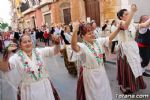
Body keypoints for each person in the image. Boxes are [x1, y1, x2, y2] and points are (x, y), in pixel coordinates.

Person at [0, 34, 60, 100]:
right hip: (28, 90)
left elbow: (54, 51)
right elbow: (5, 68)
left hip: (45, 86)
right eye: (24, 42)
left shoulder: (39, 51)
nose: (27, 43)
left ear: (32, 42)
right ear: (20, 45)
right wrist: (6, 54)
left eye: (29, 41)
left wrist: (57, 44)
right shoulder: (16, 57)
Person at [71, 22, 120, 100]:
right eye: (89, 34)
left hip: (101, 72)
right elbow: (74, 47)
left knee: (104, 92)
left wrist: (118, 29)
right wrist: (75, 31)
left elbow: (109, 38)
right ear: (83, 36)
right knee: (93, 95)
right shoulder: (82, 46)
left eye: (92, 32)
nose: (92, 34)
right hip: (90, 75)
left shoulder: (98, 41)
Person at [116, 4, 150, 94]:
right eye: (126, 14)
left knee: (135, 67)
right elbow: (125, 26)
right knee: (127, 68)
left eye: (128, 14)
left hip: (133, 48)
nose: (128, 15)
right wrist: (132, 11)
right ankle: (124, 86)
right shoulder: (119, 22)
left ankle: (134, 85)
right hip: (125, 50)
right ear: (121, 17)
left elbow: (145, 24)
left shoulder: (132, 24)